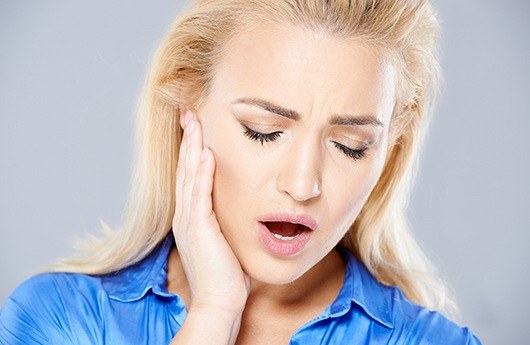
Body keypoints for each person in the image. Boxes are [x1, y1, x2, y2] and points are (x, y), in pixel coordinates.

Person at [0, 0, 482, 344]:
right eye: (263, 131)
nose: (302, 184)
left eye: (349, 147)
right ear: (188, 109)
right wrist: (214, 313)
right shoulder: (61, 321)